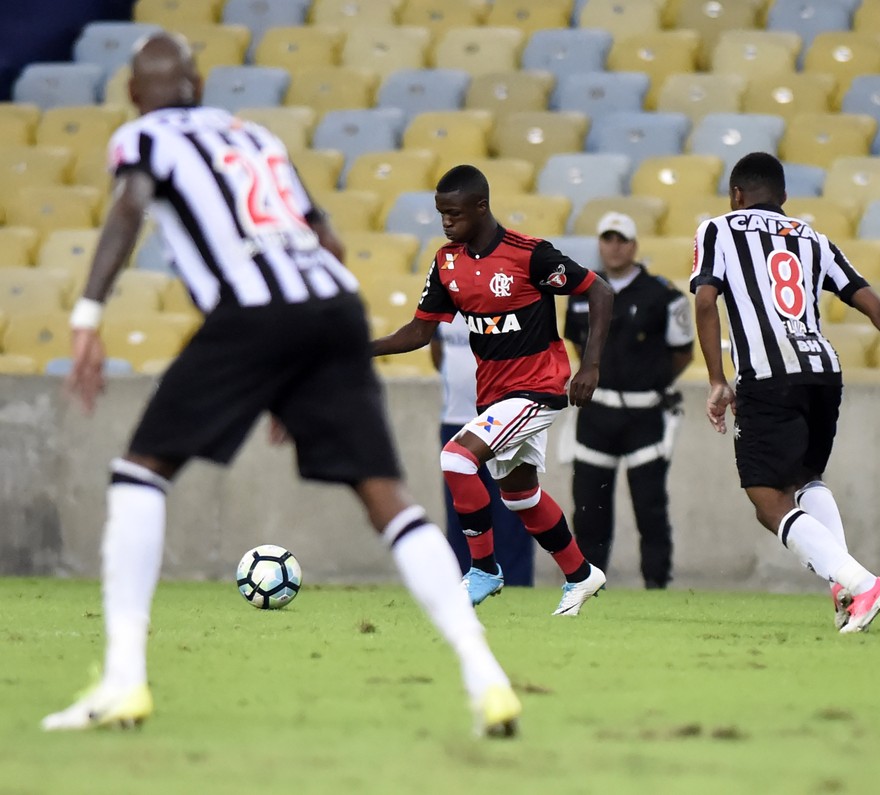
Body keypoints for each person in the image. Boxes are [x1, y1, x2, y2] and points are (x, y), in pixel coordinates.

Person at [41, 33, 521, 738]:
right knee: (387, 498)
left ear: (135, 93)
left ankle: (122, 681)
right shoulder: (255, 136)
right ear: (198, 85)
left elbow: (128, 208)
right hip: (332, 306)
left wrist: (88, 314)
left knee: (138, 475)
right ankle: (488, 677)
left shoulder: (142, 136)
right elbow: (326, 238)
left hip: (253, 310)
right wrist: (299, 374)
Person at [691, 151, 880, 633]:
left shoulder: (719, 229)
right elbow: (879, 308)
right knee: (805, 479)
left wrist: (715, 379)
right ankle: (843, 589)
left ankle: (861, 583)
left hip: (769, 374)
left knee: (766, 497)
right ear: (784, 197)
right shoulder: (814, 238)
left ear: (735, 195)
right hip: (823, 371)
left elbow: (706, 299)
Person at [372, 164, 614, 616]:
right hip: (496, 396)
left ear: (481, 207)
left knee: (456, 457)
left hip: (539, 387)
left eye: (454, 214)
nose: (446, 222)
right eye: (441, 213)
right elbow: (418, 333)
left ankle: (483, 570)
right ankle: (581, 574)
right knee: (520, 495)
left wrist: (590, 366)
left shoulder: (530, 255)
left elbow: (599, 291)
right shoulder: (447, 263)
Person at [564, 211, 694, 589]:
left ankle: (656, 585)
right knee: (589, 509)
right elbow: (575, 341)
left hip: (644, 416)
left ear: (634, 246)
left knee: (650, 507)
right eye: (607, 238)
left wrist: (650, 383)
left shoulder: (662, 295)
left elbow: (682, 352)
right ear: (600, 244)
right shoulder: (580, 292)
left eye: (622, 239)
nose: (614, 246)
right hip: (596, 413)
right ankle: (586, 585)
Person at [430, 315, 535, 586]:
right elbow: (436, 351)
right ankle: (466, 582)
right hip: (456, 421)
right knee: (463, 513)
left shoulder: (504, 300)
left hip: (504, 419)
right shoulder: (442, 308)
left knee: (511, 507)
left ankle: (516, 585)